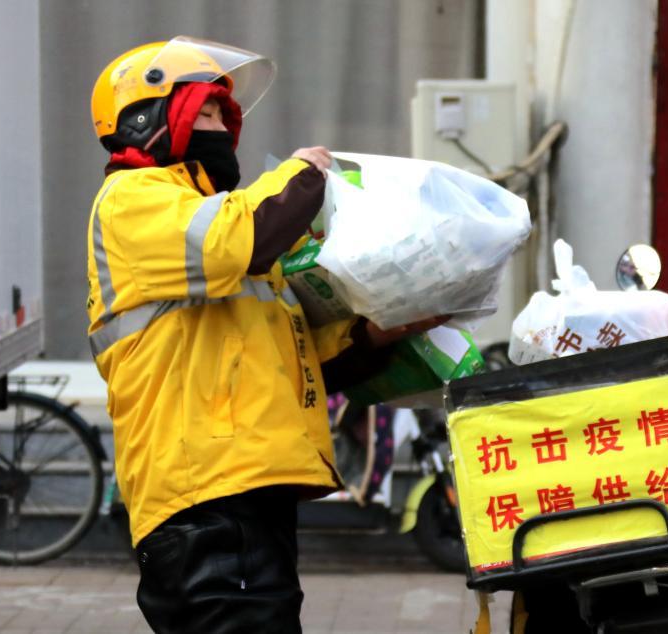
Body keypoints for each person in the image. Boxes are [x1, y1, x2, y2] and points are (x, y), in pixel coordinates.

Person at [87, 37, 445, 633]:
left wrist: (371, 337)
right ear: (146, 121)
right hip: (204, 492)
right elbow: (241, 239)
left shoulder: (207, 218)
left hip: (241, 488)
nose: (222, 128)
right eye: (205, 112)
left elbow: (284, 360)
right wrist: (304, 174)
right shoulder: (134, 201)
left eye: (223, 116)